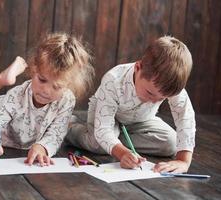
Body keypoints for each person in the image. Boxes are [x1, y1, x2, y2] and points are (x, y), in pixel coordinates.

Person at [0, 33, 94, 166]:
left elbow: (56, 134)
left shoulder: (67, 100)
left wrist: (42, 147)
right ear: (33, 69)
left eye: (57, 87)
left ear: (69, 85)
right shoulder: (15, 96)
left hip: (22, 131)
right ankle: (0, 80)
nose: (46, 90)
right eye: (42, 80)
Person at [66, 36, 195, 173]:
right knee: (98, 144)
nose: (154, 101)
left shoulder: (170, 85)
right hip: (108, 116)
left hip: (142, 120)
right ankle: (70, 127)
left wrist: (183, 160)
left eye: (161, 99)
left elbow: (185, 117)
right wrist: (121, 153)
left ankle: (113, 140)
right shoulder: (113, 80)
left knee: (171, 144)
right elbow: (103, 128)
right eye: (150, 93)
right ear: (137, 68)